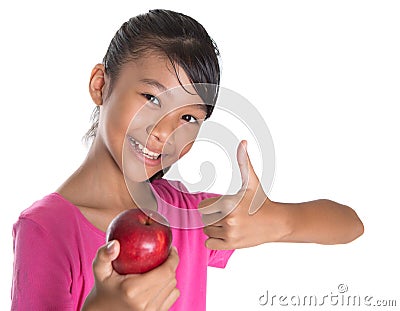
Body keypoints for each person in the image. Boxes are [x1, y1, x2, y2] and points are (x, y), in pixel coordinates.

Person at [11, 9, 364, 311]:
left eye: (188, 118)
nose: (164, 131)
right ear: (100, 84)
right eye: (151, 97)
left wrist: (278, 221)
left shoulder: (184, 215)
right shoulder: (47, 229)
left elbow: (350, 226)